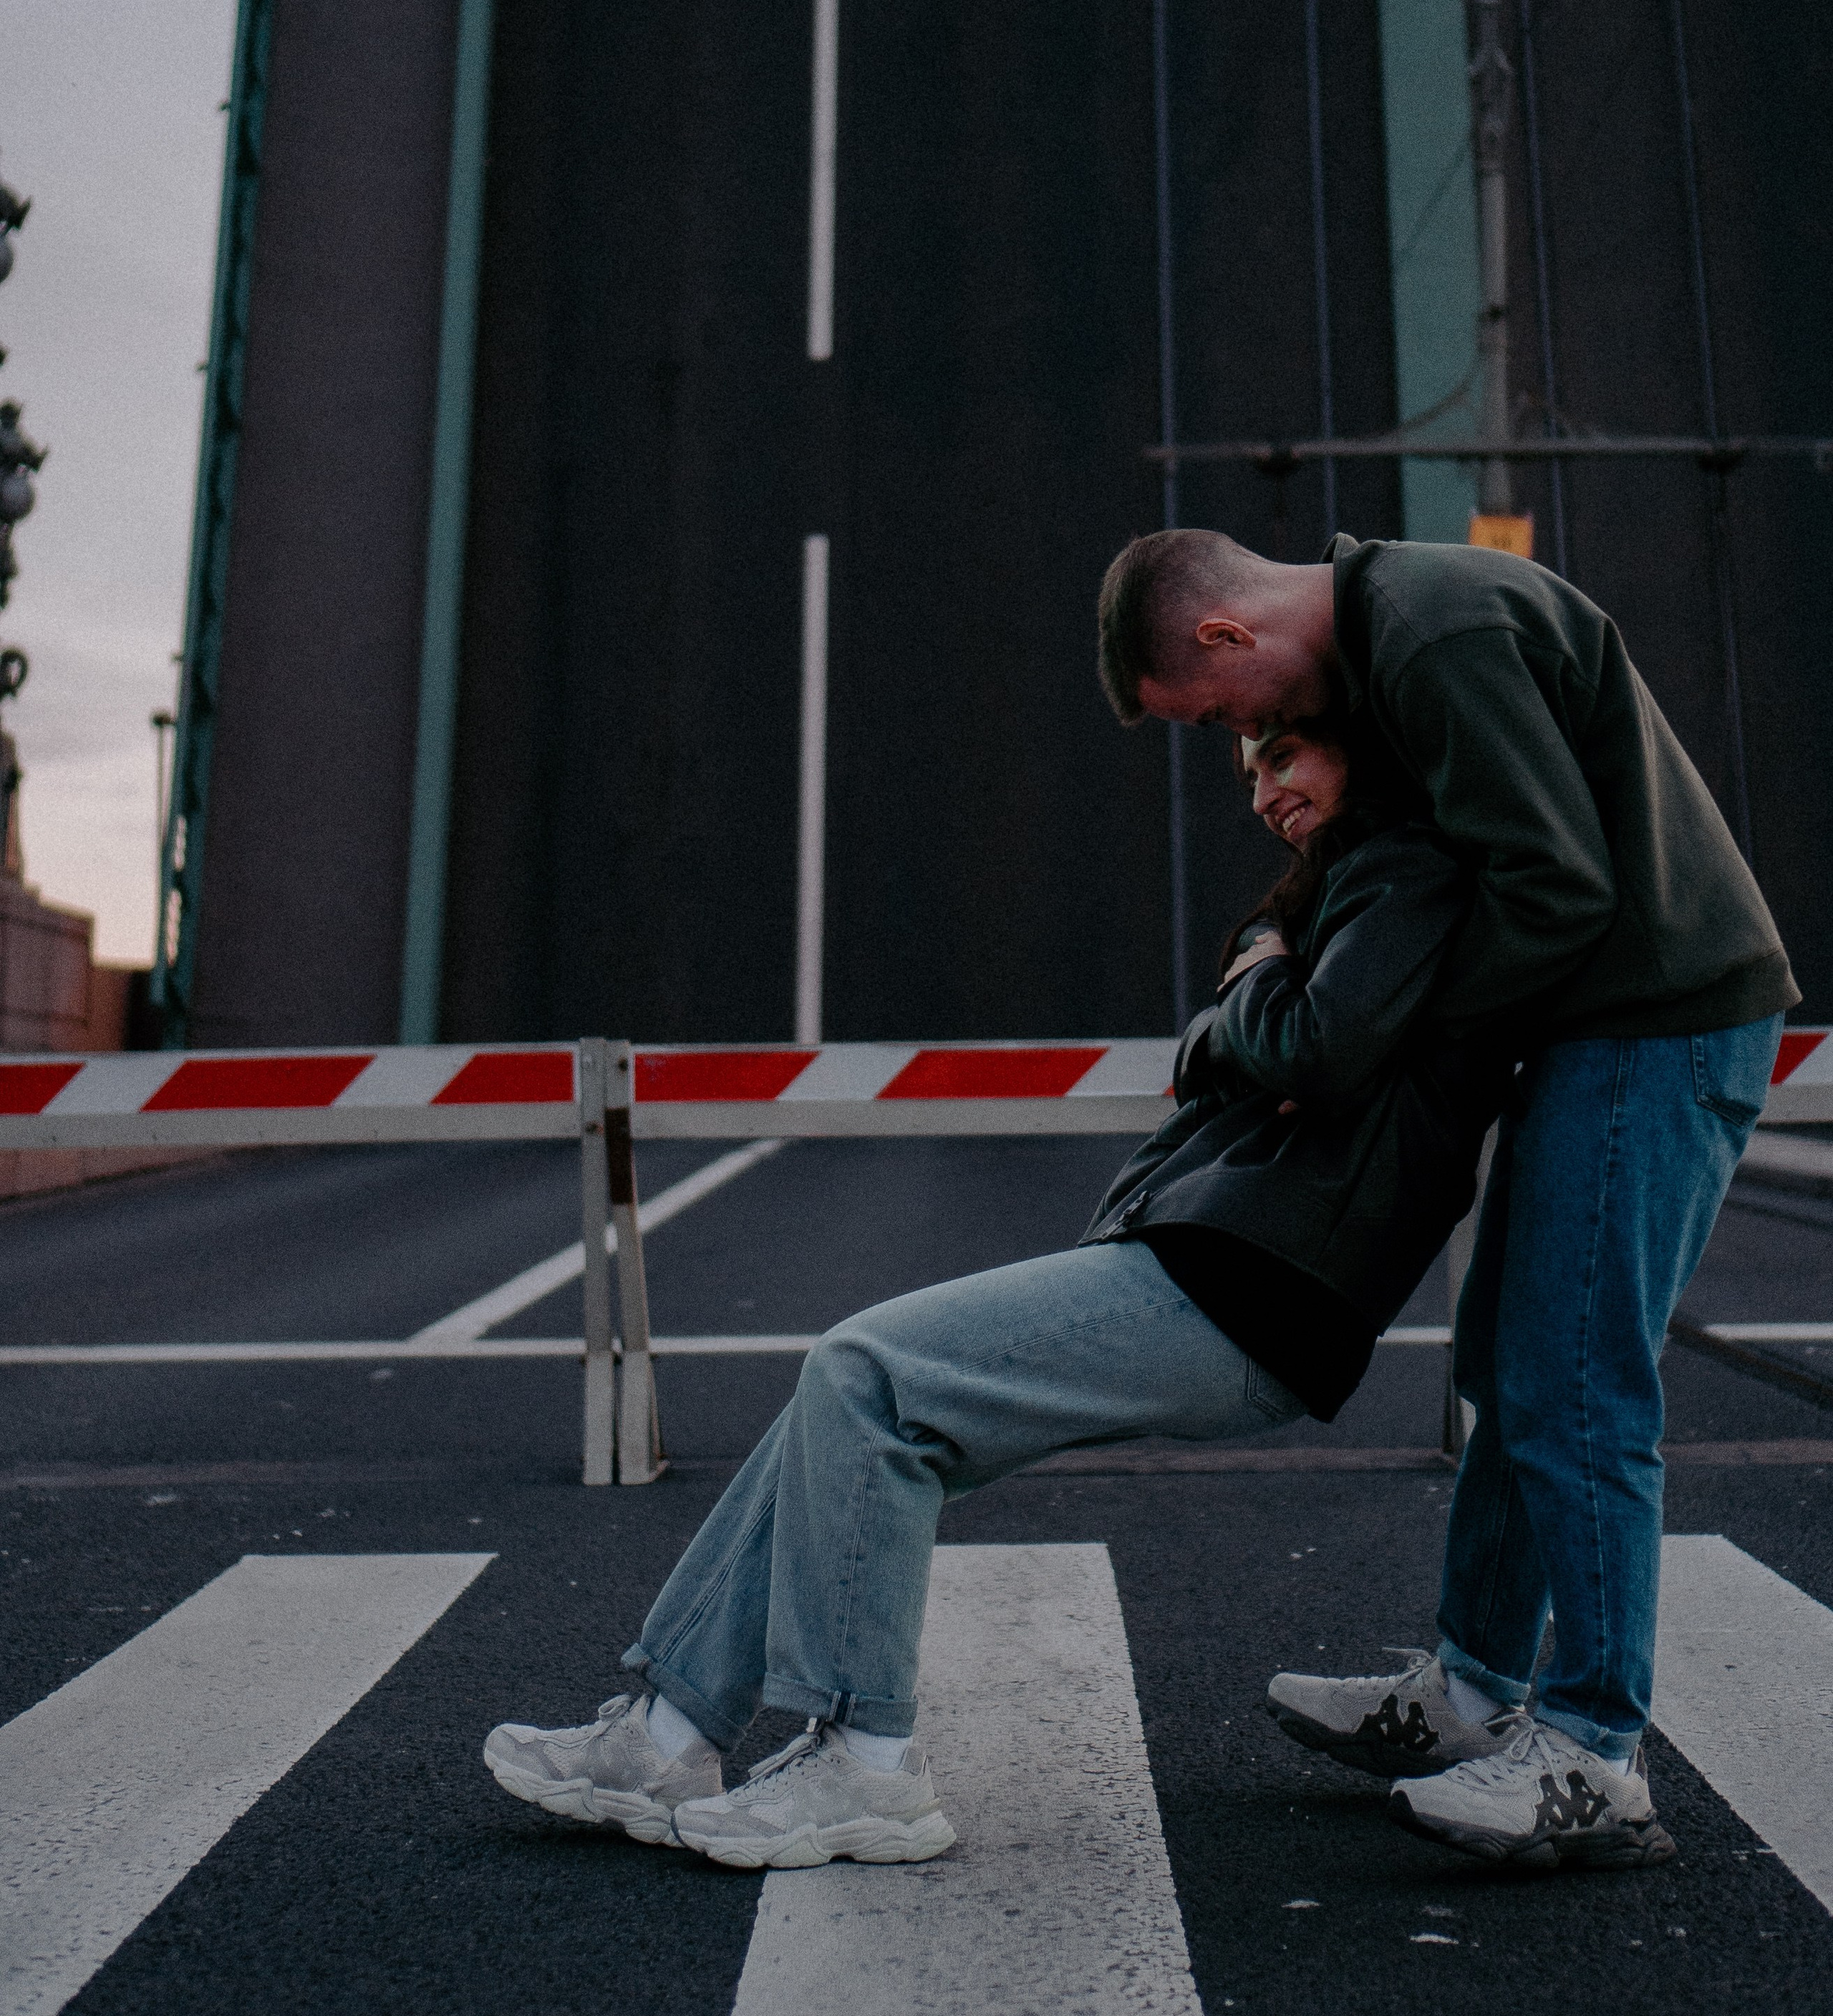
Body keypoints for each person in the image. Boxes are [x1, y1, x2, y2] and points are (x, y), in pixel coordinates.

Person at [482, 710, 1495, 1872]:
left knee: (869, 1376)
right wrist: (1256, 1000)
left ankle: (866, 1767)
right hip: (1227, 1264)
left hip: (1258, 1281)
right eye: (1247, 773)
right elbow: (1272, 1053)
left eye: (1283, 757)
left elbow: (1318, 1046)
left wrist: (1252, 983)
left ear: (1362, 743)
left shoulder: (1402, 867)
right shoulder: (1351, 886)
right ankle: (666, 1737)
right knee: (841, 1419)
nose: (1263, 792)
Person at [1098, 525, 1795, 1871]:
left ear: (1228, 636)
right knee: (1505, 1362)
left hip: (1655, 1027)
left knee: (1575, 1382)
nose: (1242, 742)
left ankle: (1595, 1756)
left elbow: (1556, 883)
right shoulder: (1398, 628)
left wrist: (1383, 1042)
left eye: (1223, 713)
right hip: (1600, 1031)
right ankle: (1475, 1696)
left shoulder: (1430, 631)